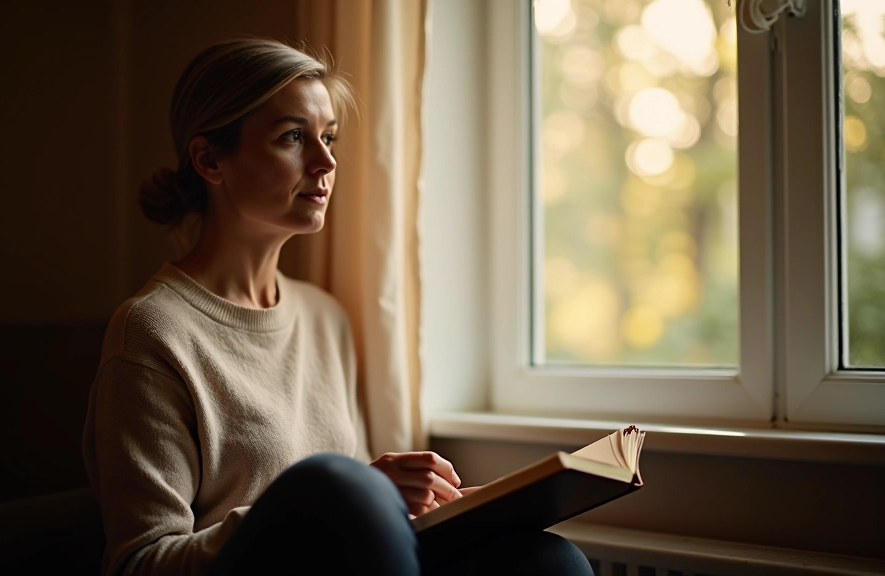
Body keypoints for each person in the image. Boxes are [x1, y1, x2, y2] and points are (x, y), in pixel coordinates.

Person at [82, 37, 593, 576]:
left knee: (548, 559)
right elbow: (139, 563)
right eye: (293, 137)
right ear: (210, 160)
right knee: (334, 484)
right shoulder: (150, 332)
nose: (325, 162)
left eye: (328, 137)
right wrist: (311, 507)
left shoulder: (325, 317)